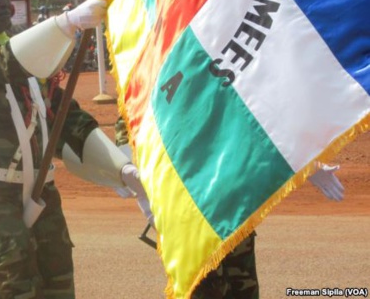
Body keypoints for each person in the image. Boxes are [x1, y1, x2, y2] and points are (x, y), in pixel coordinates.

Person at [0, 0, 152, 298]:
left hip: (42, 193)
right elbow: (4, 61)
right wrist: (64, 25)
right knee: (13, 289)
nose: (4, 5)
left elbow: (67, 120)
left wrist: (122, 170)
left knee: (59, 287)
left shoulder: (30, 55)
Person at [114, 119, 346, 298]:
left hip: (230, 208)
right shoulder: (155, 67)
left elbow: (250, 116)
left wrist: (302, 161)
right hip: (185, 215)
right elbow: (132, 116)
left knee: (241, 290)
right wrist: (129, 172)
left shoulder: (214, 68)